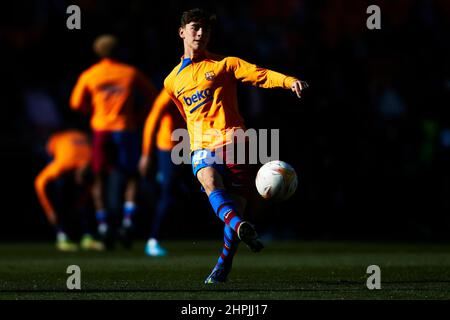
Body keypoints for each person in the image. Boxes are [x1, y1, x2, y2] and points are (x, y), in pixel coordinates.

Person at [163, 9, 307, 283]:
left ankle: (223, 265)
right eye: (195, 28)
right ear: (182, 31)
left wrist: (288, 81)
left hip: (235, 142)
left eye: (206, 29)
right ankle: (237, 234)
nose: (201, 34)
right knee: (210, 183)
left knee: (233, 208)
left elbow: (259, 74)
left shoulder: (225, 64)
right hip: (201, 146)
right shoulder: (171, 82)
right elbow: (187, 115)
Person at [70, 34, 158, 248]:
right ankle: (127, 224)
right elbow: (153, 96)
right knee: (132, 177)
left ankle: (103, 225)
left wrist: (95, 112)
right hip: (125, 128)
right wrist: (137, 116)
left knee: (98, 177)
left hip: (101, 129)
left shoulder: (90, 75)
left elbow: (75, 103)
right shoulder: (130, 72)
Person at [34, 130, 104, 252]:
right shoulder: (63, 164)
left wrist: (80, 203)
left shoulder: (92, 165)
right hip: (54, 147)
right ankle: (62, 236)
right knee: (59, 190)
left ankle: (88, 236)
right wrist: (49, 210)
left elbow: (87, 187)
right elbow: (39, 183)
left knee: (86, 200)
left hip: (77, 141)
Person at [139, 89, 186, 256]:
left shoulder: (197, 85)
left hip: (190, 145)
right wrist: (146, 154)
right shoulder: (170, 91)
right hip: (169, 148)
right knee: (167, 194)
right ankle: (153, 240)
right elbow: (152, 120)